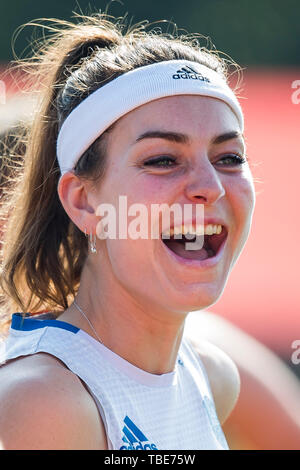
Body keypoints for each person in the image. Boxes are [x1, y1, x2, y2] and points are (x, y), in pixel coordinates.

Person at [0, 13, 256, 450]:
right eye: (162, 159)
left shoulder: (211, 376)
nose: (210, 187)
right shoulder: (44, 402)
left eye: (229, 157)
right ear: (83, 201)